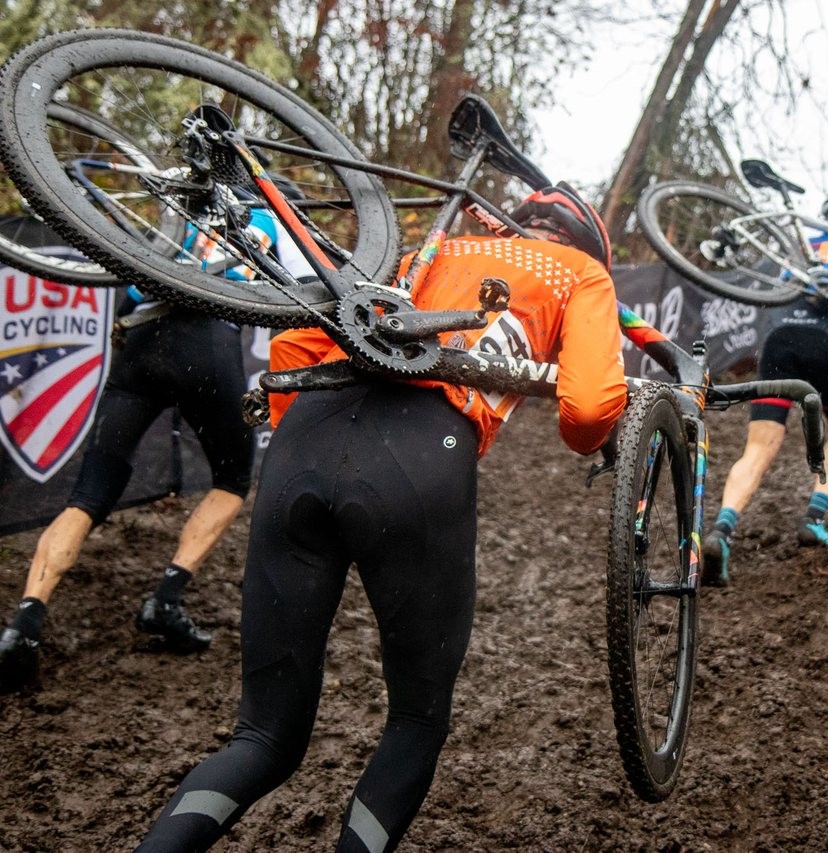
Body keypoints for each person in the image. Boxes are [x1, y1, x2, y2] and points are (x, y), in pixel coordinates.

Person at [135, 183, 627, 852]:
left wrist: (310, 458)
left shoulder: (422, 251)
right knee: (416, 721)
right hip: (422, 454)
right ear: (583, 241)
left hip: (307, 437)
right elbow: (591, 409)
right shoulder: (580, 271)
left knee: (263, 737)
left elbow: (294, 346)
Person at [0, 198, 309, 693]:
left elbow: (126, 296)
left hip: (141, 342)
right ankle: (166, 597)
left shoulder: (173, 212)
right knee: (232, 480)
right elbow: (301, 288)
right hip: (208, 341)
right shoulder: (266, 216)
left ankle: (24, 623)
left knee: (88, 496)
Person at [701, 190, 828, 586]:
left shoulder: (799, 245)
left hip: (780, 341)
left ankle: (722, 531)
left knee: (758, 446)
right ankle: (814, 519)